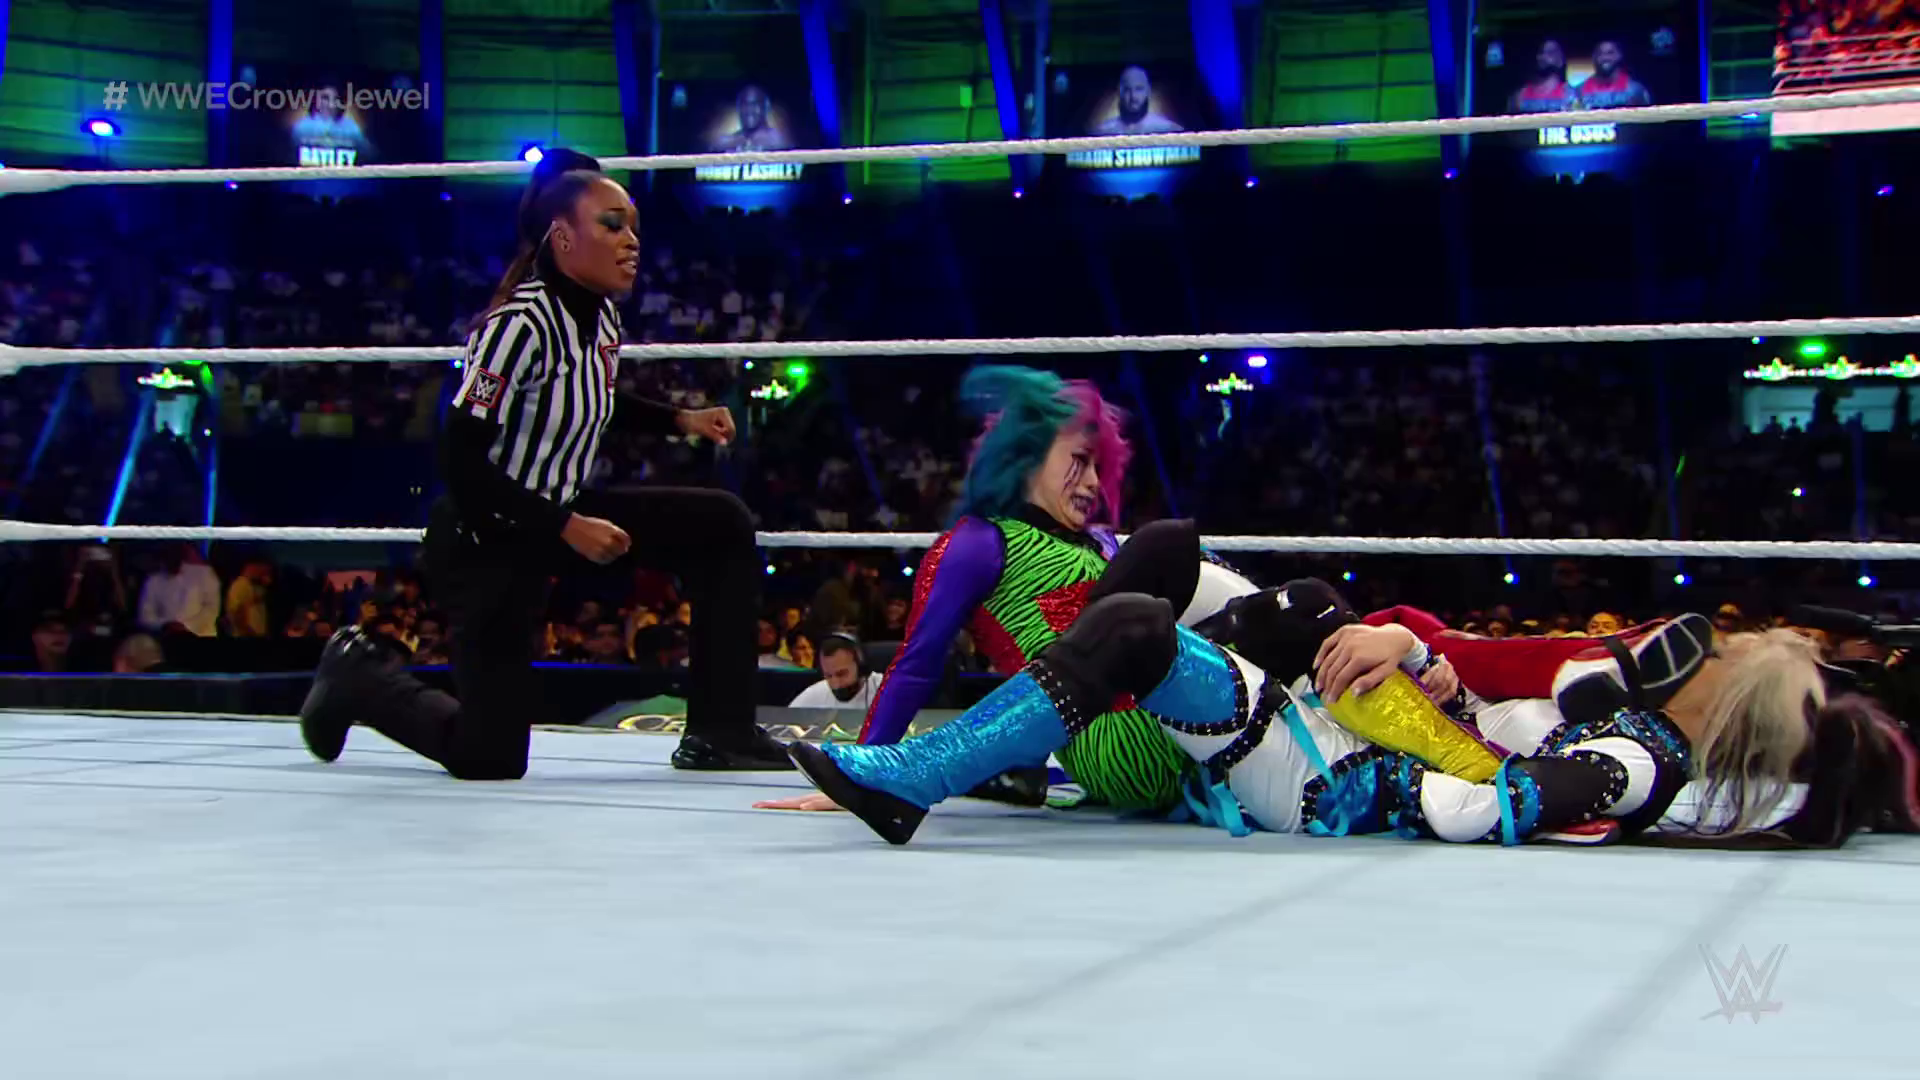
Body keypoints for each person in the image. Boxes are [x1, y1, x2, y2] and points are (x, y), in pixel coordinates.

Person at [790, 551, 1918, 849]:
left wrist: (1410, 747)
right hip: (1335, 733)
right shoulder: (1629, 726)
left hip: (1327, 774)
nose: (1692, 652)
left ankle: (933, 775)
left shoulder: (1640, 758)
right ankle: (936, 775)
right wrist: (1425, 678)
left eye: (1717, 659)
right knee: (1146, 611)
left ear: (1730, 709)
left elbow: (1481, 807)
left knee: (1136, 627)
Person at [300, 148, 790, 779]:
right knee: (489, 755)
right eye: (612, 225)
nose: (631, 242)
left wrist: (679, 420)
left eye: (634, 226)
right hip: (488, 534)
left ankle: (722, 732)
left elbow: (589, 395)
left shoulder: (600, 315)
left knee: (721, 523)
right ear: (562, 238)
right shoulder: (518, 326)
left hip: (557, 514)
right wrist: (565, 526)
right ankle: (360, 675)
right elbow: (459, 458)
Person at [756, 366, 1196, 815]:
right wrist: (861, 775)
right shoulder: (980, 544)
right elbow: (918, 664)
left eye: (1098, 467)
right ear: (1028, 455)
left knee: (1195, 566)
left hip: (1182, 714)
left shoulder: (1102, 540)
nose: (1093, 483)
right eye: (1080, 461)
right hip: (1122, 744)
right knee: (1170, 543)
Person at [788, 632, 884, 711]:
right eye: (828, 676)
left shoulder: (887, 689)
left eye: (841, 674)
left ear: (860, 667)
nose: (835, 684)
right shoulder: (814, 694)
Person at [1091, 66, 1185, 135]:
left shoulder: (1169, 130)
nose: (1133, 97)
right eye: (1127, 90)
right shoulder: (1101, 132)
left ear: (1148, 91)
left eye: (1139, 89)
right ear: (1120, 92)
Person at [709, 86, 791, 151]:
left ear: (766, 108)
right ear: (738, 109)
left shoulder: (779, 141)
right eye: (745, 105)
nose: (749, 110)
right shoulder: (726, 142)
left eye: (755, 104)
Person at [1575, 40, 1652, 110]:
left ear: (1620, 55)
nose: (1605, 58)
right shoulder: (1579, 91)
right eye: (1600, 54)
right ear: (1594, 57)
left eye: (1610, 53)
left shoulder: (1635, 90)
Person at [1508, 39, 1578, 113]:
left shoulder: (1571, 95)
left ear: (1560, 60)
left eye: (1550, 53)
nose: (1543, 57)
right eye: (1541, 52)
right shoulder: (1520, 95)